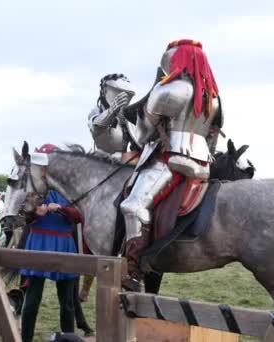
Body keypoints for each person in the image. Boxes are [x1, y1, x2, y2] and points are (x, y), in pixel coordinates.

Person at [120, 40, 223, 285]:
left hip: (172, 160)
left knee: (133, 207)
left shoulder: (170, 90)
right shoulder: (214, 97)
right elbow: (213, 139)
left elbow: (143, 136)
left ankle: (133, 270)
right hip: (202, 166)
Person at [20, 144, 80, 342]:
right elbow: (25, 216)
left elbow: (80, 215)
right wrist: (33, 213)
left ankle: (69, 339)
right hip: (38, 242)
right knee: (31, 301)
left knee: (68, 303)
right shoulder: (34, 187)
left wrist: (60, 209)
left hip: (63, 244)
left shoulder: (69, 186)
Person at [88, 74, 139, 162]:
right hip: (99, 158)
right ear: (104, 91)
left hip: (121, 160)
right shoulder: (97, 110)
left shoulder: (127, 118)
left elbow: (137, 143)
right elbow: (96, 126)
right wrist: (111, 111)